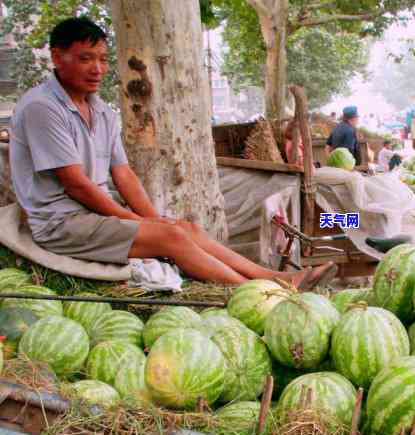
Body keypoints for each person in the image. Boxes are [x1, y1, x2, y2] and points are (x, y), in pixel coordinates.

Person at [9, 17, 336, 288]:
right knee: (171, 237)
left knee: (186, 229)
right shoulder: (42, 108)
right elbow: (76, 185)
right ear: (56, 57)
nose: (97, 68)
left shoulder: (103, 112)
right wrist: (135, 220)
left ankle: (279, 278)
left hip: (93, 215)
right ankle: (257, 292)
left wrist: (151, 217)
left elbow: (123, 174)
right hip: (61, 223)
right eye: (85, 58)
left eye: (103, 59)